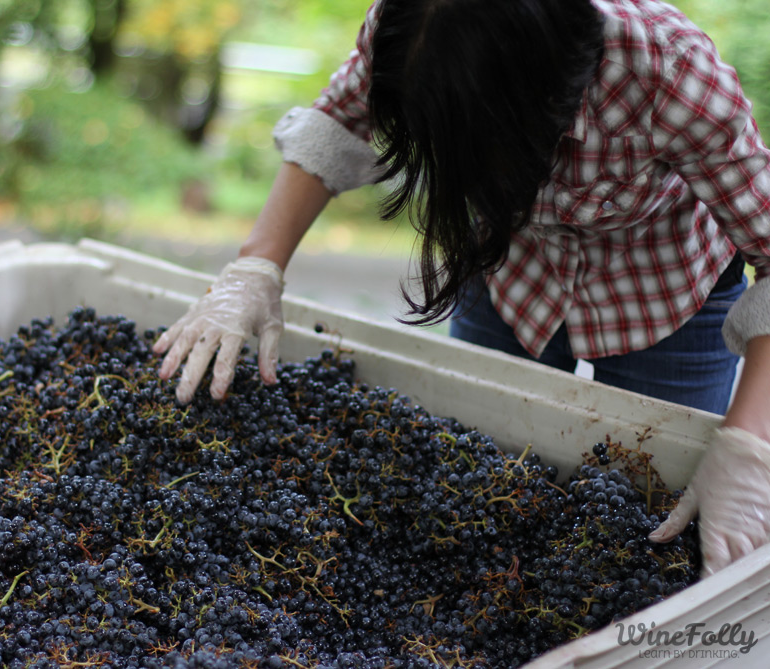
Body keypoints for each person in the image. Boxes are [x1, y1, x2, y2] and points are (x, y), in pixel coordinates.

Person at [153, 0, 770, 577]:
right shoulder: (413, 25)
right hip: (509, 269)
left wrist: (748, 443)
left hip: (664, 288)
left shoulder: (670, 68)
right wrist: (255, 268)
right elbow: (337, 123)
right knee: (477, 490)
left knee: (654, 514)